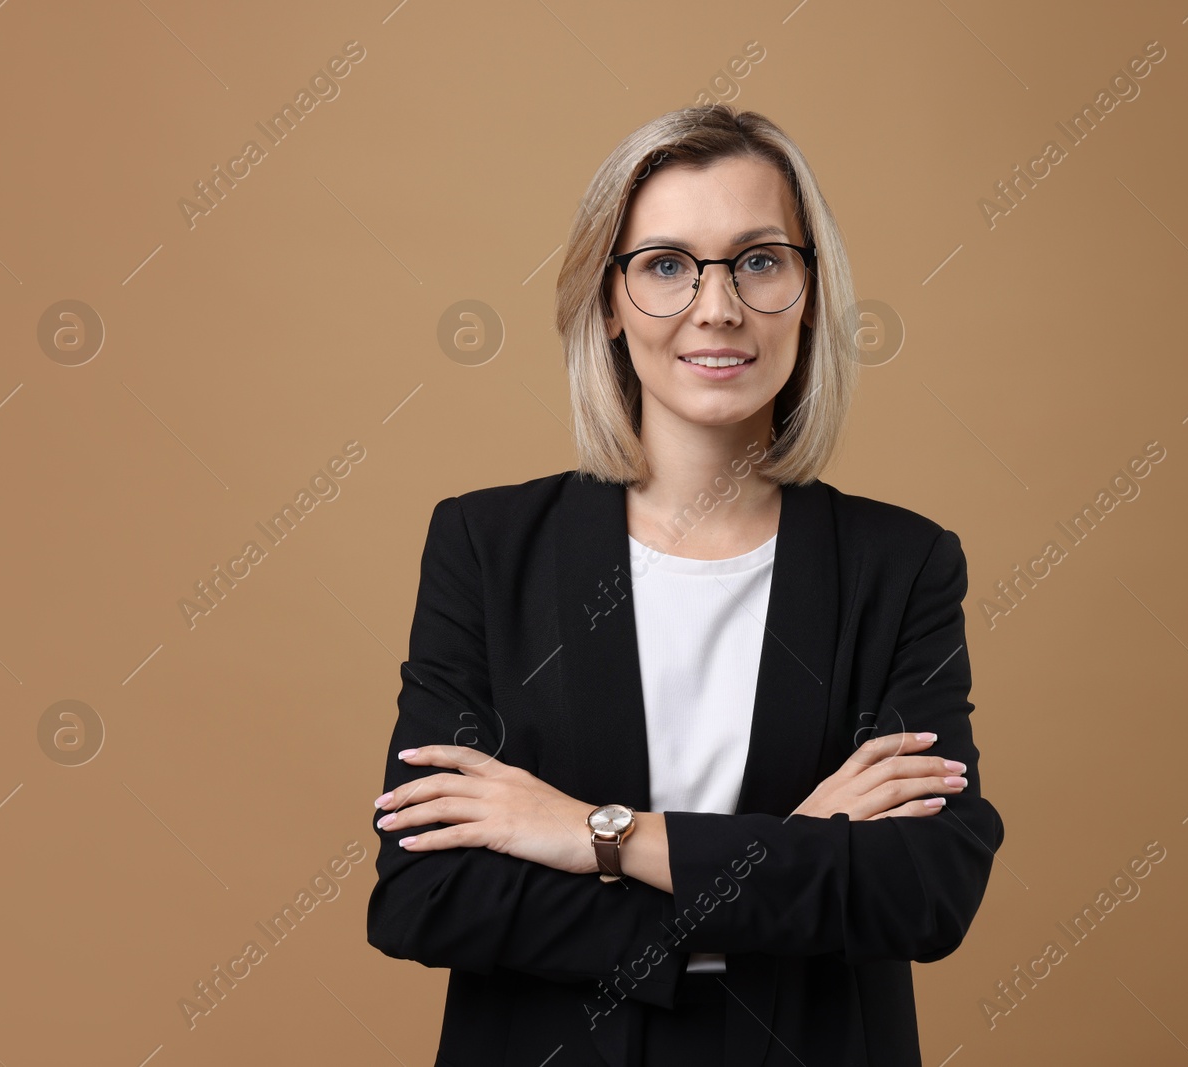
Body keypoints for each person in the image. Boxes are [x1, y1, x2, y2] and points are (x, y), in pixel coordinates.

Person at [367, 103, 1004, 1067]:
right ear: (610, 303)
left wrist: (588, 833)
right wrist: (793, 852)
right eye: (667, 265)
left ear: (810, 292)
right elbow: (425, 895)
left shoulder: (901, 564)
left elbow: (925, 888)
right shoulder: (488, 547)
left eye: (759, 260)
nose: (718, 308)